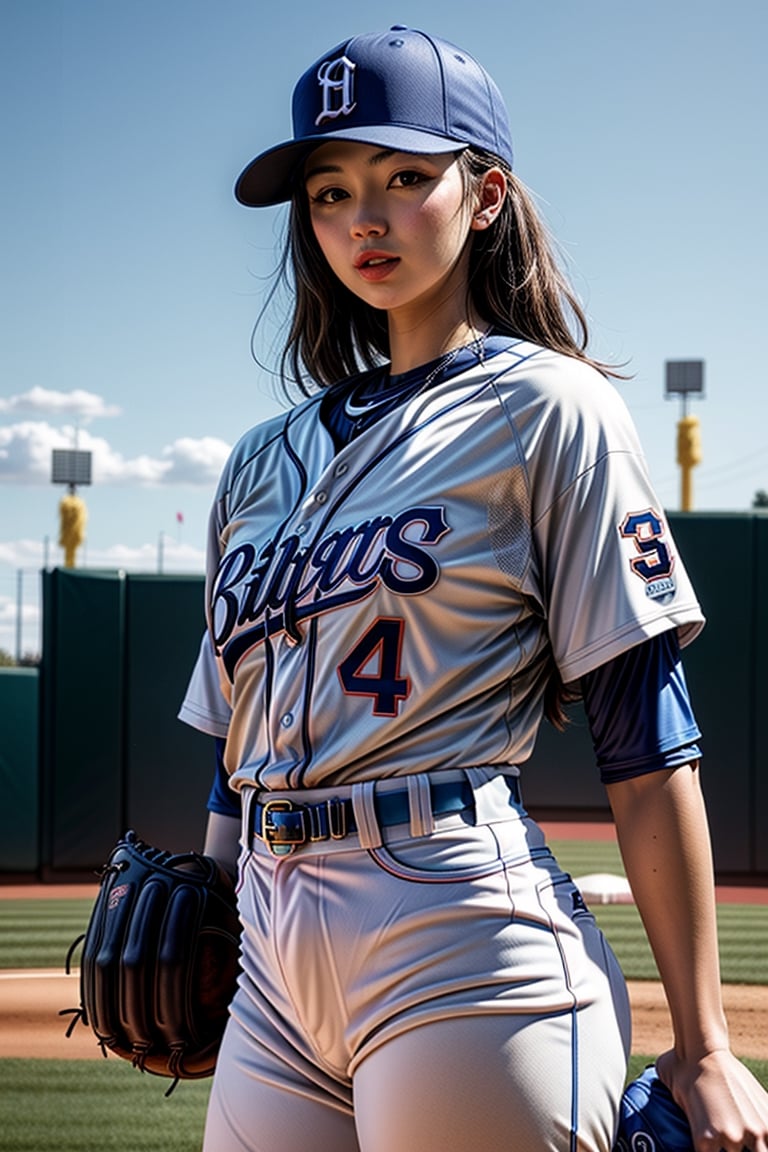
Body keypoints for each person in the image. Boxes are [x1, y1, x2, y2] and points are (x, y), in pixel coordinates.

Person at [179, 26, 768, 1152]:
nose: (366, 219)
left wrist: (705, 1047)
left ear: (485, 194)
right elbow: (230, 740)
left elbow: (645, 736)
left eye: (406, 179)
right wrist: (211, 911)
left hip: (453, 923)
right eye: (330, 191)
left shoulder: (548, 408)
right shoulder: (259, 458)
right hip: (270, 943)